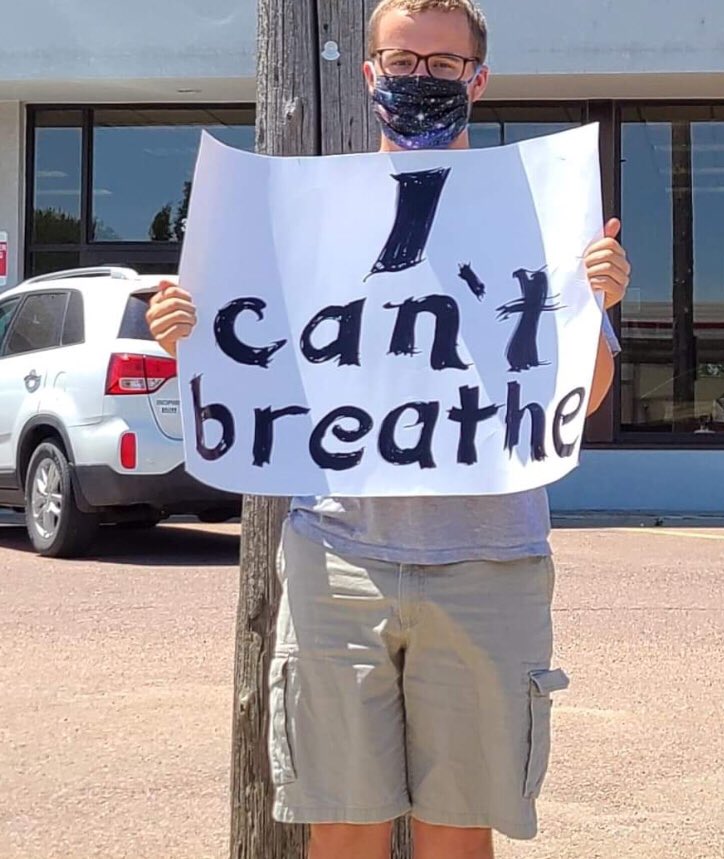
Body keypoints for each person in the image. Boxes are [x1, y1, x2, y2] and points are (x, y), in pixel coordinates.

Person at [147, 2, 631, 857]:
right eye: (403, 60)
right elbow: (250, 361)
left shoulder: (534, 216)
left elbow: (583, 397)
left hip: (490, 561)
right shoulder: (301, 217)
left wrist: (596, 304)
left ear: (479, 79)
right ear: (368, 73)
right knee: (343, 824)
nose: (421, 79)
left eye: (444, 65)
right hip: (339, 556)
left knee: (457, 829)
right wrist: (189, 328)